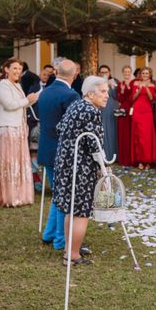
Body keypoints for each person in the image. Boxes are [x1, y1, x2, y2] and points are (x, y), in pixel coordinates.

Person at [53, 76, 108, 266]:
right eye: (103, 91)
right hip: (81, 167)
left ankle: (71, 248)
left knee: (71, 209)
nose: (106, 95)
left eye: (107, 91)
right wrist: (103, 166)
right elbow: (95, 145)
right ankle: (72, 255)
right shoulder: (91, 111)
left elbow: (59, 128)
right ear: (90, 93)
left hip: (65, 163)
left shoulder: (76, 105)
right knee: (82, 212)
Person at [38, 59, 80, 250]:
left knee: (58, 194)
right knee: (64, 197)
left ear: (56, 72)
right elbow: (74, 128)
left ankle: (49, 234)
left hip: (46, 148)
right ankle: (60, 240)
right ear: (75, 74)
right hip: (63, 153)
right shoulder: (71, 95)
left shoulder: (44, 92)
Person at [0, 58, 39, 208]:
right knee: (7, 163)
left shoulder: (17, 85)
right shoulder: (3, 85)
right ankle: (6, 196)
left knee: (17, 162)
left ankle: (18, 195)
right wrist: (27, 100)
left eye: (19, 69)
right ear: (6, 69)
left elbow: (19, 105)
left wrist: (31, 100)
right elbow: (9, 105)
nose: (17, 71)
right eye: (14, 68)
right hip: (6, 128)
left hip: (17, 128)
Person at [131, 68, 156, 169]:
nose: (145, 75)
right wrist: (140, 89)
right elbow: (133, 98)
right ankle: (140, 160)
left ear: (149, 75)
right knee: (138, 135)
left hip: (147, 111)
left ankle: (148, 161)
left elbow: (151, 98)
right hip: (137, 110)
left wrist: (146, 88)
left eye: (147, 73)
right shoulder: (136, 83)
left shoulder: (152, 85)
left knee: (147, 135)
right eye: (143, 73)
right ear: (140, 75)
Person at [98, 64, 119, 161]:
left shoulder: (114, 81)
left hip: (111, 108)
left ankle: (113, 155)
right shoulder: (96, 82)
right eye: (102, 72)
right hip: (100, 108)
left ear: (109, 72)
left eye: (106, 72)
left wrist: (112, 86)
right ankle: (103, 155)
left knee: (111, 130)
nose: (104, 74)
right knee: (102, 131)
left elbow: (117, 96)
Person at [116, 65, 134, 167]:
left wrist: (128, 88)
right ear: (123, 73)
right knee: (123, 133)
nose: (127, 73)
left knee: (130, 132)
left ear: (130, 72)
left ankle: (130, 158)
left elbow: (133, 97)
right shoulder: (120, 84)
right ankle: (123, 159)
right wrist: (122, 91)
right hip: (123, 108)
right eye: (125, 72)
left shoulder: (133, 82)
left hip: (131, 109)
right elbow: (120, 99)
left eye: (128, 72)